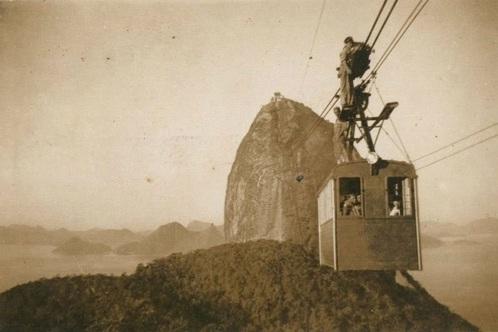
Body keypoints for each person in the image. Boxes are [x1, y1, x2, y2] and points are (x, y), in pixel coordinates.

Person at [338, 36, 356, 107]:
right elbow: (343, 61)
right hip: (345, 70)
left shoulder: (349, 50)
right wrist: (348, 69)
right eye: (350, 43)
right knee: (345, 86)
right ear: (347, 43)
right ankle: (345, 102)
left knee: (349, 86)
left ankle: (349, 101)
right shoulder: (345, 51)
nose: (351, 44)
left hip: (347, 70)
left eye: (351, 43)